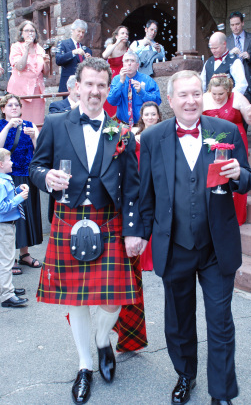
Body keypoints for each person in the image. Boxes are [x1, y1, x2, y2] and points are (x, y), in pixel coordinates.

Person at [29, 57, 147, 404]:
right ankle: (85, 365)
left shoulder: (122, 131)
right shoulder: (54, 124)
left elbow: (133, 188)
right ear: (76, 86)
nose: (94, 91)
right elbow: (36, 166)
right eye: (89, 84)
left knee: (113, 299)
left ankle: (101, 340)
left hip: (109, 221)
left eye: (101, 85)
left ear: (107, 89)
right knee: (77, 300)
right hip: (69, 219)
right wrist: (45, 178)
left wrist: (132, 231)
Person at [139, 70, 251, 405]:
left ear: (202, 96)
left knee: (220, 323)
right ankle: (185, 375)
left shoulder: (225, 130)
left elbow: (248, 178)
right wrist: (140, 236)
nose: (190, 101)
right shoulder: (152, 138)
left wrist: (239, 175)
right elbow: (145, 194)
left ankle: (220, 391)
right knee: (179, 321)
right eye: (183, 95)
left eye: (196, 94)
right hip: (174, 245)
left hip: (217, 246)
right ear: (170, 100)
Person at [203, 74, 251, 226]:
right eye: (214, 94)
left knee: (236, 172)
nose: (218, 97)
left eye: (221, 93)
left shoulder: (238, 97)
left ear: (228, 90)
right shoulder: (204, 98)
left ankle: (237, 215)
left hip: (236, 141)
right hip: (212, 141)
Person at [0, 94, 42, 272]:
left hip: (27, 175)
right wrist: (9, 125)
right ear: (3, 109)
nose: (14, 108)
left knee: (28, 217)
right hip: (9, 176)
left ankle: (24, 254)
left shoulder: (29, 125)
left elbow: (40, 149)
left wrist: (34, 137)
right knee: (13, 216)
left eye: (16, 105)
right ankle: (10, 258)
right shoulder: (2, 125)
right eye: (10, 105)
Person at [0, 148, 29, 308]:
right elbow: (2, 207)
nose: (12, 162)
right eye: (9, 160)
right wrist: (19, 198)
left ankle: (7, 288)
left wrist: (17, 190)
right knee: (6, 260)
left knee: (5, 259)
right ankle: (7, 295)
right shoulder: (2, 182)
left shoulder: (5, 180)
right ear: (1, 164)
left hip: (6, 226)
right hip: (4, 227)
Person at [7, 21, 50, 125]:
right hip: (21, 91)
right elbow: (19, 67)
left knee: (37, 122)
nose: (29, 33)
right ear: (21, 33)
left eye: (32, 31)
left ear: (35, 34)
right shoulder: (16, 46)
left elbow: (46, 73)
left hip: (37, 92)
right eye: (26, 30)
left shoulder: (39, 48)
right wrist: (26, 50)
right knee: (22, 121)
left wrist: (47, 63)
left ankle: (35, 140)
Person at [135, 101, 161, 271]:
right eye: (147, 114)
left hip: (156, 176)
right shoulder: (133, 134)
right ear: (142, 117)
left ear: (158, 116)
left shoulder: (164, 132)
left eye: (153, 114)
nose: (150, 117)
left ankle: (154, 257)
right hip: (138, 177)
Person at [107, 50, 161, 127]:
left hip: (143, 126)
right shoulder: (117, 79)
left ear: (137, 65)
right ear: (123, 64)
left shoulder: (147, 79)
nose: (129, 63)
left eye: (132, 61)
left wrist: (142, 92)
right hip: (123, 125)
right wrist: (121, 82)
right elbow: (111, 101)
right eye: (126, 61)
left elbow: (157, 101)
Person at [227, 11, 251, 106]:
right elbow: (222, 61)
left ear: (242, 23)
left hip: (249, 82)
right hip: (231, 83)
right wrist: (230, 54)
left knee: (248, 114)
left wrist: (250, 56)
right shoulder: (226, 41)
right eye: (232, 25)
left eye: (237, 24)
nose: (235, 27)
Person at [56, 19, 92, 93]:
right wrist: (73, 52)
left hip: (83, 86)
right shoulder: (63, 44)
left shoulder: (87, 50)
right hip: (67, 86)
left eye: (83, 32)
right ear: (72, 30)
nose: (81, 34)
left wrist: (90, 61)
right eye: (79, 31)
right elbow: (58, 60)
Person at [102, 25, 130, 117]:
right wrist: (117, 42)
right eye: (122, 33)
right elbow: (105, 55)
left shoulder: (128, 49)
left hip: (124, 77)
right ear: (116, 36)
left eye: (126, 33)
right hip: (112, 77)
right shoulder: (111, 46)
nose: (125, 35)